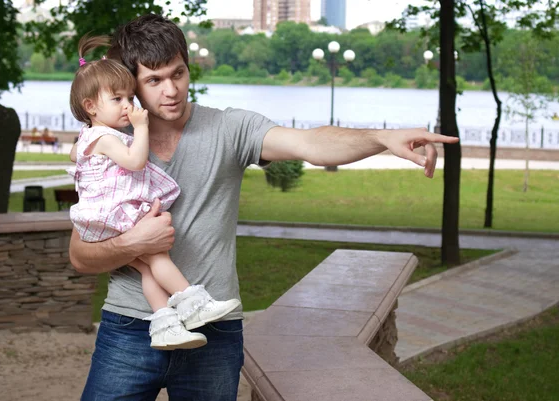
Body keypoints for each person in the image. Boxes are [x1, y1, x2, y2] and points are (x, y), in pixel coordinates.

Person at [69, 14, 459, 401]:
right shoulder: (108, 146)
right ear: (132, 83)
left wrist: (382, 137)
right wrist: (134, 243)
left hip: (215, 330)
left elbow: (312, 143)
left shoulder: (231, 128)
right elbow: (81, 256)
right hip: (130, 326)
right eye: (154, 80)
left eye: (179, 74)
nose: (171, 90)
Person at [68, 34, 240, 352]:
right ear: (90, 106)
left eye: (129, 98)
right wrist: (143, 129)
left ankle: (163, 323)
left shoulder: (86, 137)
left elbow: (78, 162)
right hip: (115, 217)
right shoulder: (106, 138)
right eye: (117, 100)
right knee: (157, 256)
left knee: (148, 267)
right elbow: (134, 163)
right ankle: (193, 302)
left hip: (100, 219)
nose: (128, 107)